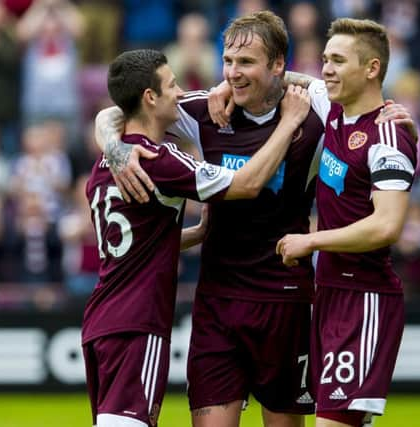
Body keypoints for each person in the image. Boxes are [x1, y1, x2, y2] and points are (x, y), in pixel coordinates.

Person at [94, 11, 415, 427]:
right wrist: (112, 145)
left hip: (286, 299)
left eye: (245, 63)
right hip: (217, 303)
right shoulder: (204, 113)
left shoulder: (316, 112)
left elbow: (360, 111)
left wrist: (401, 126)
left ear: (278, 64)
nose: (232, 73)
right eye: (227, 61)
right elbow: (124, 109)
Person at [83, 48, 311, 427]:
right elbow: (247, 183)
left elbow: (140, 244)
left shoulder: (105, 164)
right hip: (138, 321)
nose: (179, 93)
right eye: (172, 85)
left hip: (101, 321)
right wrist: (289, 123)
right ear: (150, 98)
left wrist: (198, 233)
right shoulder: (160, 160)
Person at [276, 18, 418, 427]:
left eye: (338, 60)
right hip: (329, 294)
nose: (326, 69)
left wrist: (312, 242)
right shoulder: (331, 106)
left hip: (365, 296)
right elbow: (287, 76)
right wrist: (228, 84)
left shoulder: (389, 136)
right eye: (325, 59)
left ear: (372, 69)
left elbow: (387, 226)